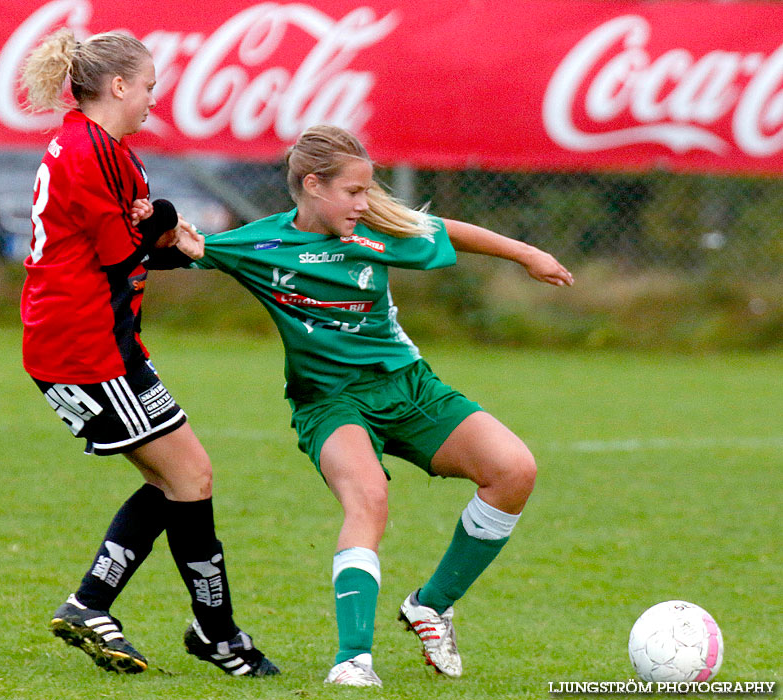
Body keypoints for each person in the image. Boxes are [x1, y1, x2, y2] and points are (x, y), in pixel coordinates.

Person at [180, 124, 574, 686]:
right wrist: (167, 230)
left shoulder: (374, 231)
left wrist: (528, 254)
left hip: (409, 387)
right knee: (369, 499)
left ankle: (431, 605)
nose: (365, 203)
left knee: (514, 471)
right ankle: (353, 660)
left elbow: (446, 231)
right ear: (313, 185)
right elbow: (185, 248)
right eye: (353, 192)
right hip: (331, 402)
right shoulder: (258, 244)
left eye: (368, 191)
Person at [19, 29, 278, 678]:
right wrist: (162, 223)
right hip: (85, 349)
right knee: (186, 477)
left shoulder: (96, 145)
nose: (152, 101)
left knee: (182, 479)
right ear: (119, 85)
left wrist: (163, 237)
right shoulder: (95, 151)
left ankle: (121, 610)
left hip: (104, 343)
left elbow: (128, 248)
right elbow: (121, 253)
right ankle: (210, 634)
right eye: (149, 88)